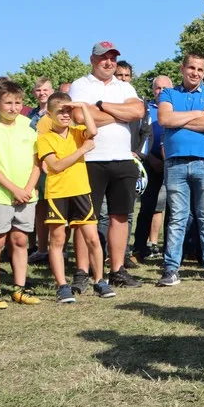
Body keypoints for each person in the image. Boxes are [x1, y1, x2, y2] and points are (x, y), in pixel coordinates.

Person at [69, 42, 144, 288]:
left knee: (120, 217)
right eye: (104, 57)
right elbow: (80, 116)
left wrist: (99, 108)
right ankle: (82, 272)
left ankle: (118, 270)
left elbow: (138, 111)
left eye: (112, 57)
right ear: (93, 59)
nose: (109, 62)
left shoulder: (125, 85)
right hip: (90, 160)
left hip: (123, 158)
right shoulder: (81, 85)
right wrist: (120, 113)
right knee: (85, 219)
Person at [155, 53, 204, 287]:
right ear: (182, 69)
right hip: (176, 163)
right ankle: (171, 269)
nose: (195, 73)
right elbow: (164, 119)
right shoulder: (168, 93)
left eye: (200, 69)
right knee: (177, 217)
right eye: (191, 68)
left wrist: (180, 120)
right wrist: (197, 114)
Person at [36, 92, 114, 301]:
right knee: (58, 240)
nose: (65, 115)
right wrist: (83, 150)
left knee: (92, 238)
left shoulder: (77, 132)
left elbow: (93, 130)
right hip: (58, 194)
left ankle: (99, 281)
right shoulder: (44, 139)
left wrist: (83, 107)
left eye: (68, 110)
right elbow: (56, 165)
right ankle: (62, 286)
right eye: (60, 111)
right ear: (49, 114)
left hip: (81, 191)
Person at [0, 81, 41, 307]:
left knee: (20, 240)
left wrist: (28, 189)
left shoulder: (28, 125)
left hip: (26, 195)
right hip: (0, 195)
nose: (13, 108)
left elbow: (37, 161)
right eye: (8, 103)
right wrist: (13, 189)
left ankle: (19, 288)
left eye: (18, 103)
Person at [133, 75, 173, 262]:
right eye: (158, 88)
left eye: (165, 88)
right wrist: (150, 158)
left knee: (173, 210)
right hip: (150, 162)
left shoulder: (175, 107)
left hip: (173, 163)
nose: (161, 91)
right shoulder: (145, 109)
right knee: (147, 208)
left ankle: (170, 251)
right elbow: (141, 138)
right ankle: (139, 249)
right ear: (153, 90)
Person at [26, 76, 54, 265]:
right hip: (34, 166)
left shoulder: (56, 113)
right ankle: (41, 249)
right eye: (38, 90)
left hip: (52, 167)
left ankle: (57, 250)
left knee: (55, 211)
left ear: (51, 91)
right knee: (39, 210)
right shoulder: (31, 116)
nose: (42, 93)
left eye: (45, 90)